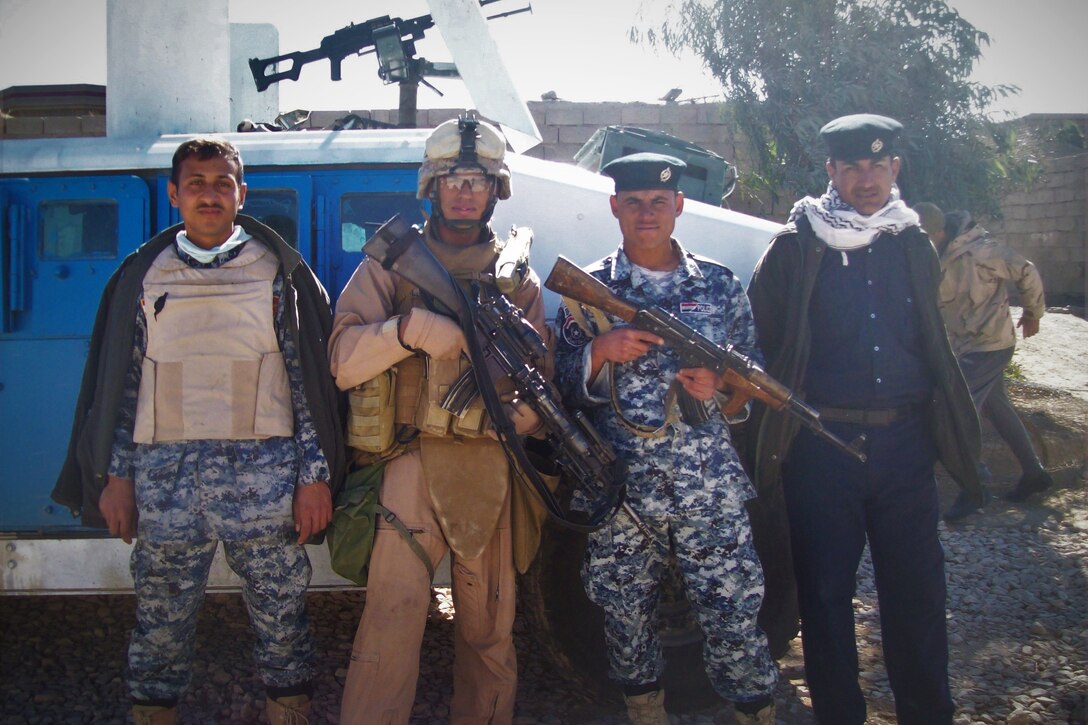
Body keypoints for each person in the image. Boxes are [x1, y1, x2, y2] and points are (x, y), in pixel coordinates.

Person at [51, 137, 345, 724]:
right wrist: (116, 478)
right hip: (166, 488)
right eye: (196, 183)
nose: (209, 194)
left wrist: (316, 479)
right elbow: (120, 390)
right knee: (160, 619)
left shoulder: (279, 276)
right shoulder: (143, 276)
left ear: (242, 192)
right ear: (174, 194)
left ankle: (288, 711)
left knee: (282, 615)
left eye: (221, 182)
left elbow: (307, 384)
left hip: (265, 484)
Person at [746, 115, 982, 725]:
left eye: (878, 165)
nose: (866, 178)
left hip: (906, 446)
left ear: (895, 169)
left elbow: (930, 340)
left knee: (918, 598)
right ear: (831, 171)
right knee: (824, 601)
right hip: (822, 448)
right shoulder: (797, 246)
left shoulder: (911, 243)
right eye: (851, 166)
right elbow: (761, 347)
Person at [329, 115, 546, 724]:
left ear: (496, 189)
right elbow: (342, 360)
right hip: (410, 461)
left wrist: (525, 416)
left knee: (489, 626)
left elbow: (542, 370)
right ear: (431, 186)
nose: (464, 190)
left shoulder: (515, 275)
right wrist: (410, 330)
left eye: (477, 180)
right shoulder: (393, 266)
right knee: (391, 619)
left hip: (489, 467)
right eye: (452, 178)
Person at [553, 152, 778, 725]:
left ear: (678, 206)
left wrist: (722, 384)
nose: (646, 213)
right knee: (624, 615)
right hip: (622, 489)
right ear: (614, 208)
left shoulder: (720, 285)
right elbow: (556, 385)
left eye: (658, 202)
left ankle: (755, 712)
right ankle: (645, 715)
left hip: (708, 486)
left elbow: (750, 373)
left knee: (732, 609)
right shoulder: (590, 289)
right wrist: (600, 351)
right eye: (633, 202)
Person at [913, 202, 1052, 519]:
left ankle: (977, 484)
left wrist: (1033, 313)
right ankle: (1034, 473)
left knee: (954, 408)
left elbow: (1026, 270)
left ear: (939, 233)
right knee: (996, 406)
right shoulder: (938, 255)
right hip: (965, 346)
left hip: (989, 345)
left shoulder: (981, 250)